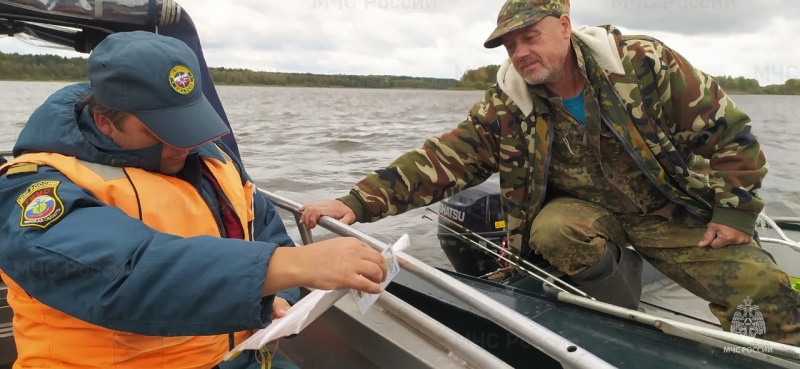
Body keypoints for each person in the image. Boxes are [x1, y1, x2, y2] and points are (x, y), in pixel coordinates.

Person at [300, 0, 800, 345]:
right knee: (555, 231)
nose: (520, 54)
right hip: (584, 219)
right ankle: (613, 322)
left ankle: (750, 351)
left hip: (670, 211)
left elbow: (730, 131)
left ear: (565, 24)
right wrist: (355, 203)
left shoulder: (645, 64)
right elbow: (442, 159)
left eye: (529, 37)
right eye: (510, 46)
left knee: (764, 292)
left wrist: (735, 215)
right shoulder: (507, 104)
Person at [0, 31, 387, 369]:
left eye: (187, 124)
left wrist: (278, 297)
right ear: (105, 121)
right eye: (162, 130)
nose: (183, 144)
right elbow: (121, 272)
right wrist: (285, 265)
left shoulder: (213, 159)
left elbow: (264, 228)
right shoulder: (34, 187)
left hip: (235, 355)